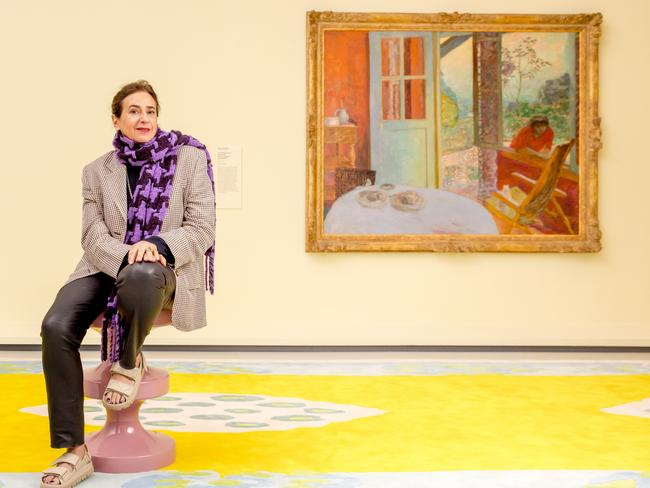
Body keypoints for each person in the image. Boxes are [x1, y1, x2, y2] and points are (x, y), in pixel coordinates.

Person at [39, 80, 216, 487]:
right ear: (116, 119)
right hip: (102, 266)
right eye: (134, 111)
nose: (144, 118)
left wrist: (154, 246)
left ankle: (127, 360)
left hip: (163, 269)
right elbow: (92, 235)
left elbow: (202, 228)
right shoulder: (96, 171)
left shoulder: (189, 160)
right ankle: (74, 450)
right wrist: (129, 253)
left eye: (150, 111)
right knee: (55, 326)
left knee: (141, 275)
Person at [496, 115, 555, 190]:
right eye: (538, 126)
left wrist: (544, 156)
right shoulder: (526, 131)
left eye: (544, 126)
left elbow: (548, 147)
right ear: (532, 126)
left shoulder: (549, 132)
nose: (541, 129)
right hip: (515, 156)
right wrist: (538, 155)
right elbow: (520, 149)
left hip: (530, 156)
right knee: (509, 177)